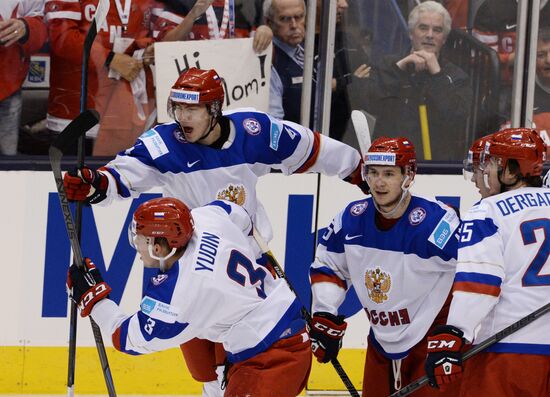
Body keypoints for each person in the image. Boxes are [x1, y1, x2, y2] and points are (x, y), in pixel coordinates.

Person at [62, 67, 367, 396]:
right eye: (177, 108)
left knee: (231, 349)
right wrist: (96, 184)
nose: (181, 117)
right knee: (203, 366)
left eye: (191, 109)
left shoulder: (254, 131)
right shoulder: (164, 143)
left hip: (237, 256)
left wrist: (355, 168)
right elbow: (123, 174)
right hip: (186, 255)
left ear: (214, 109)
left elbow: (309, 148)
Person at [66, 197, 312, 396]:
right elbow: (239, 212)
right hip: (278, 335)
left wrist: (94, 299)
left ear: (158, 247)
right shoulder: (206, 218)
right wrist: (252, 251)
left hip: (271, 359)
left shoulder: (182, 292)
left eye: (139, 240)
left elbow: (128, 338)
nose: (136, 247)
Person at [308, 136, 461, 396]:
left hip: (432, 337)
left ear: (408, 176)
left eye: (389, 174)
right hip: (381, 339)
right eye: (373, 172)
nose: (379, 182)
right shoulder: (351, 218)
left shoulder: (436, 222)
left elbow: (477, 270)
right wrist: (325, 313)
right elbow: (329, 267)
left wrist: (457, 331)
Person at [425, 128, 549, 396]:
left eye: (489, 164)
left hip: (508, 354)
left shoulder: (486, 211)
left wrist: (454, 333)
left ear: (511, 171)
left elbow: (479, 285)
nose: (479, 175)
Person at [44, 0, 182, 156]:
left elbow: (165, 30)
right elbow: (63, 38)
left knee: (122, 179)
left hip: (127, 115)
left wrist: (152, 47)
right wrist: (109, 59)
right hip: (74, 116)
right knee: (73, 179)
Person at [356, 1, 473, 160]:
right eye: (423, 28)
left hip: (438, 169)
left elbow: (457, 117)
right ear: (411, 33)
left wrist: (436, 74)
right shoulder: (389, 64)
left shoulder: (457, 75)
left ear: (444, 38)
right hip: (389, 162)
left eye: (437, 30)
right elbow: (369, 103)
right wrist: (399, 69)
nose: (430, 35)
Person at [0, 0, 47, 155]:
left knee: (7, 166)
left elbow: (41, 28)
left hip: (7, 91)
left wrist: (25, 27)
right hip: (9, 90)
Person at [159, 0, 273, 53]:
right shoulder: (179, 2)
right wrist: (192, 16)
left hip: (237, 86)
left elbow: (263, 54)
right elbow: (165, 46)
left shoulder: (249, 3)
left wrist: (265, 30)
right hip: (194, 84)